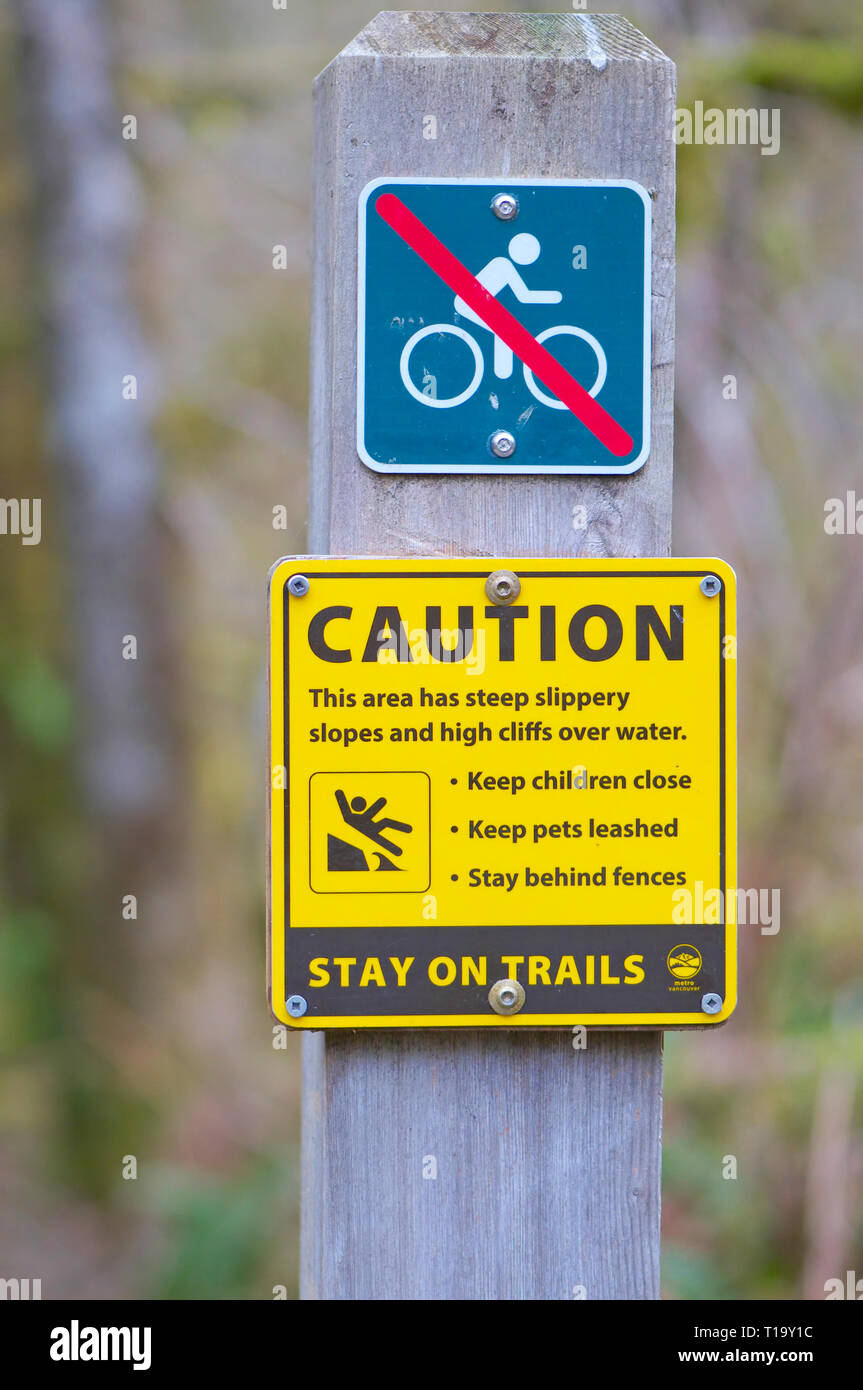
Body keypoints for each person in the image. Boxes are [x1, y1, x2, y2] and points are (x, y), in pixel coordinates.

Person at [454, 232, 562, 378]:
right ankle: (503, 374)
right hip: (467, 304)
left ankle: (503, 374)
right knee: (505, 329)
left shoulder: (503, 263)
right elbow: (523, 296)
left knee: (504, 327)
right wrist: (554, 297)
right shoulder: (503, 265)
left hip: (472, 302)